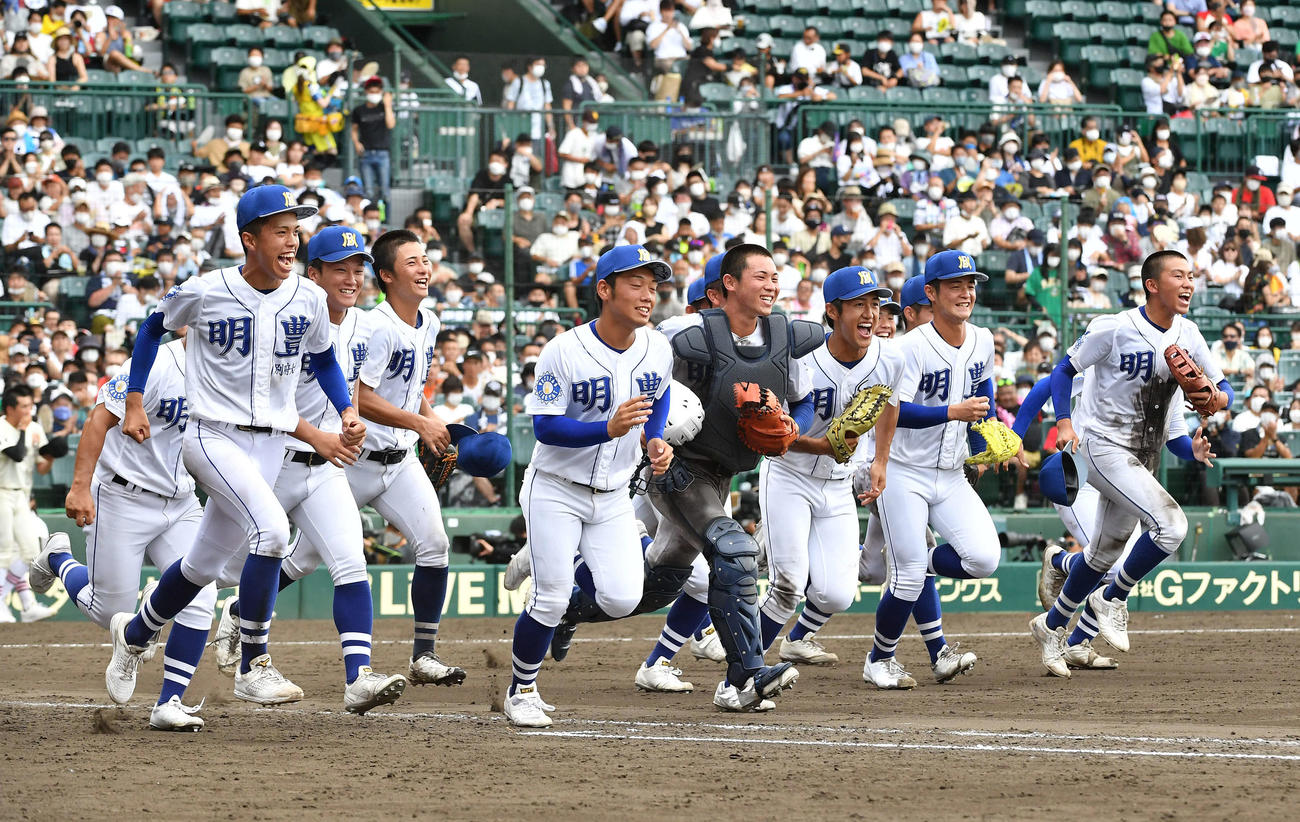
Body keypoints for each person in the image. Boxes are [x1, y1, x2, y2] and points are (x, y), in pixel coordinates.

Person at [100, 185, 363, 707]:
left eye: (296, 231)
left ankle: (132, 636)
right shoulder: (206, 289)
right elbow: (152, 330)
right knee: (271, 532)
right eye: (280, 231)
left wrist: (347, 409)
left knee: (201, 569)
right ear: (249, 239)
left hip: (270, 446)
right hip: (212, 435)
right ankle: (254, 663)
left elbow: (325, 360)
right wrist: (133, 398)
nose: (292, 242)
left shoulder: (308, 296)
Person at [551, 244, 820, 711]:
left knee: (657, 584)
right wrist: (649, 423)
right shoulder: (684, 332)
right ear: (729, 284)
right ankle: (744, 678)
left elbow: (804, 396)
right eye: (760, 276)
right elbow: (634, 355)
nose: (772, 285)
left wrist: (794, 422)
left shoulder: (784, 336)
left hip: (722, 473)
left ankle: (566, 610)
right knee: (733, 548)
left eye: (775, 276)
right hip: (674, 467)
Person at [207, 226, 407, 715]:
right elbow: (264, 402)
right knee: (211, 571)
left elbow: (353, 387)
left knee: (349, 564)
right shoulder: (283, 318)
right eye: (339, 268)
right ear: (311, 272)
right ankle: (163, 615)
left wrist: (351, 420)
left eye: (358, 269)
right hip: (271, 460)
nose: (352, 278)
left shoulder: (364, 325)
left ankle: (358, 677)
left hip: (324, 469)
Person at [1031, 250, 1230, 677]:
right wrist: (1064, 422)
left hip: (1144, 455)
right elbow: (1062, 371)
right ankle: (1111, 598)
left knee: (1102, 555)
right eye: (1179, 275)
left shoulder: (1189, 333)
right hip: (1101, 445)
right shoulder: (1115, 328)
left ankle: (1052, 627)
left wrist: (1217, 398)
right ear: (1152, 284)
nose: (1189, 283)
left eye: (1192, 275)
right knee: (1171, 526)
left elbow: (1224, 388)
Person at [504, 244, 675, 727]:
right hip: (555, 487)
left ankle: (552, 559)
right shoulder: (564, 349)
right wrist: (609, 428)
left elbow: (657, 396)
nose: (648, 294)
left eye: (653, 285)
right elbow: (545, 427)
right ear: (605, 289)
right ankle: (522, 690)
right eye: (635, 283)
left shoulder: (657, 346)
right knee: (552, 596)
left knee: (622, 597)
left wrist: (655, 437)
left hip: (614, 494)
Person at [29, 328, 217, 728]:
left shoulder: (228, 369)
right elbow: (98, 420)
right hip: (121, 495)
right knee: (109, 610)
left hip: (181, 501)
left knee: (201, 592)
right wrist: (80, 487)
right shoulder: (156, 363)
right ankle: (59, 557)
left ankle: (169, 704)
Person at [864, 251, 1017, 689]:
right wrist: (953, 412)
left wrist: (988, 434)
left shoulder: (983, 339)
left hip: (951, 473)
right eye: (955, 285)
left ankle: (916, 562)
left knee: (984, 558)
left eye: (971, 284)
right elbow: (889, 412)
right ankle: (880, 659)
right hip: (903, 471)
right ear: (931, 292)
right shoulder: (907, 348)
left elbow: (983, 390)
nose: (966, 292)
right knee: (906, 576)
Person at [756, 266, 902, 670]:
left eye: (875, 303)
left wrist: (881, 460)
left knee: (838, 594)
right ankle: (745, 666)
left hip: (837, 483)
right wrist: (819, 444)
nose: (871, 313)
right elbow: (771, 431)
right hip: (790, 474)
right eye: (859, 304)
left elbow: (890, 405)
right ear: (833, 312)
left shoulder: (887, 359)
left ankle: (795, 640)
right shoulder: (802, 360)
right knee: (788, 581)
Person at [0, 385, 58, 624]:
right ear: (10, 408)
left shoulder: (33, 428)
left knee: (31, 553)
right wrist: (24, 430)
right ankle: (10, 605)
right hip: (1, 494)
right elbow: (16, 453)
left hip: (22, 497)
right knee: (4, 552)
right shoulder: (2, 426)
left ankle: (25, 605)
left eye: (29, 405)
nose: (28, 410)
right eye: (23, 406)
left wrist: (53, 453)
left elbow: (41, 465)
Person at [350, 77, 395, 210]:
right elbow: (354, 130)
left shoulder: (383, 108)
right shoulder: (359, 110)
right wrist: (356, 143)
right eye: (372, 91)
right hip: (366, 153)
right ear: (366, 92)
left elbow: (391, 124)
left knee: (385, 191)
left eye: (377, 91)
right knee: (368, 191)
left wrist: (387, 105)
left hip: (382, 153)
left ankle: (387, 221)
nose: (374, 94)